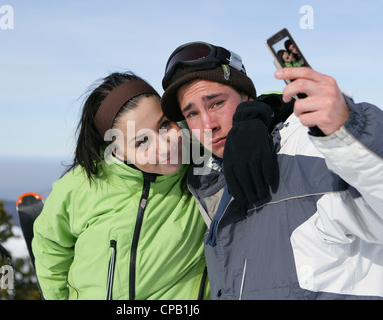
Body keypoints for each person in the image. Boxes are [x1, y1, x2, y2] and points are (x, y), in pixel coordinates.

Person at [160, 41, 383, 299]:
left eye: (216, 103)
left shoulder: (308, 149)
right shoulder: (207, 183)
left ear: (246, 99)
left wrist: (348, 125)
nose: (208, 125)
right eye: (192, 114)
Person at [32, 72, 209, 300]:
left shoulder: (203, 156)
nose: (165, 148)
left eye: (164, 125)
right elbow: (51, 245)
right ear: (116, 150)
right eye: (142, 142)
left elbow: (241, 107)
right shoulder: (80, 187)